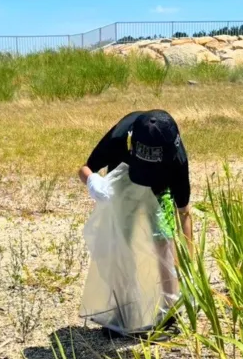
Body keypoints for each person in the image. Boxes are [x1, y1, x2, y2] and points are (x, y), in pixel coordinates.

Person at [78, 110, 193, 334]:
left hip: (160, 192)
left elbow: (184, 213)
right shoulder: (120, 137)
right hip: (124, 189)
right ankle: (124, 309)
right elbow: (85, 169)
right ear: (132, 147)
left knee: (164, 244)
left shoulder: (177, 159)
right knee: (120, 243)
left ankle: (169, 312)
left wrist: (189, 263)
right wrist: (92, 182)